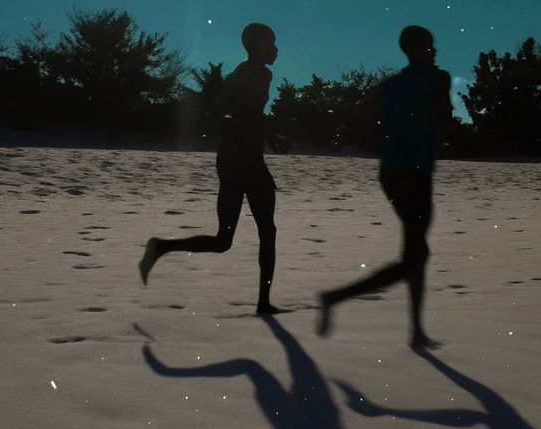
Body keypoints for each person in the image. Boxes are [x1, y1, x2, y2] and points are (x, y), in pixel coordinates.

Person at [139, 22, 289, 315]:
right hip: (246, 158)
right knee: (266, 232)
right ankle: (263, 304)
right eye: (271, 42)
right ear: (256, 45)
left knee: (223, 240)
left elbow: (216, 116)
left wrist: (264, 133)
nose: (276, 49)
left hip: (230, 157)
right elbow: (244, 118)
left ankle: (161, 248)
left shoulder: (237, 74)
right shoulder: (260, 73)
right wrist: (270, 135)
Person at [317, 25, 453, 348]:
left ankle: (417, 331)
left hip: (391, 172)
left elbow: (353, 121)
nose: (435, 51)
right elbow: (445, 119)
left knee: (416, 252)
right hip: (416, 173)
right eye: (431, 46)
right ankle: (336, 297)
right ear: (420, 49)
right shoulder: (439, 78)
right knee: (414, 256)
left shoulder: (387, 86)